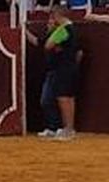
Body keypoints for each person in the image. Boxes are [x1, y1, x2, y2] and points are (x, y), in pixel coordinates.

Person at [29, 8, 84, 140]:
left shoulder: (63, 29)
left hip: (62, 68)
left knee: (64, 98)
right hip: (69, 67)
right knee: (67, 98)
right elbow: (79, 53)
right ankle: (68, 128)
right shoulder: (72, 29)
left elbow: (48, 45)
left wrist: (55, 46)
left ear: (57, 16)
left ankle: (68, 129)